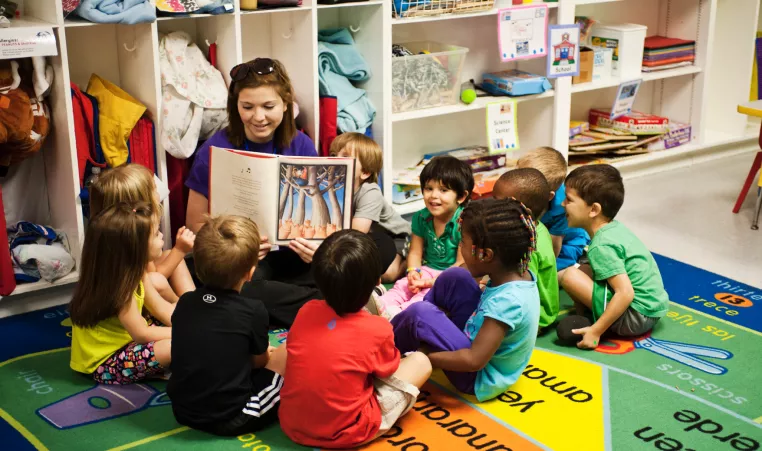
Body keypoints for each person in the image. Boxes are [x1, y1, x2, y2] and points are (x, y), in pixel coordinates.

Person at [185, 57, 320, 327]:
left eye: (268, 106)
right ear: (236, 107)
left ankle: (315, 302)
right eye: (247, 107)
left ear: (285, 104)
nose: (258, 117)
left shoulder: (302, 145)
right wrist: (236, 245)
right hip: (247, 263)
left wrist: (316, 248)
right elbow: (195, 223)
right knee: (241, 289)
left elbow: (317, 215)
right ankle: (326, 306)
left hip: (294, 255)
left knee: (349, 257)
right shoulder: (213, 151)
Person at [279, 230, 431, 448]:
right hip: (347, 432)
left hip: (292, 424)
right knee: (420, 362)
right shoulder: (377, 328)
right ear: (379, 281)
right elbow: (387, 370)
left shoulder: (306, 310)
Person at [392, 198, 540, 402]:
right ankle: (415, 331)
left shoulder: (509, 301)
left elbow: (473, 361)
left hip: (476, 377)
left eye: (462, 242)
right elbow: (464, 277)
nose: (460, 246)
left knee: (420, 315)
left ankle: (381, 349)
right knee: (454, 277)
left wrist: (424, 358)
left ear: (486, 255)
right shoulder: (512, 273)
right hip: (473, 339)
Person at [168, 215, 287, 436]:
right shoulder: (254, 309)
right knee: (287, 352)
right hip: (233, 417)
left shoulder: (185, 302)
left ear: (199, 268)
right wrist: (268, 354)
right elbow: (260, 361)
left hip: (181, 410)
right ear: (250, 273)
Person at [560, 165, 669, 349]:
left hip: (636, 316)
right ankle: (586, 316)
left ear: (593, 209)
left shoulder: (602, 246)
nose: (562, 204)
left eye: (569, 200)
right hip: (651, 309)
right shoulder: (613, 228)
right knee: (583, 270)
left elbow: (625, 293)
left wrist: (596, 331)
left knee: (568, 275)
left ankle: (594, 324)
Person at [69, 202, 172, 384]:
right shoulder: (121, 287)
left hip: (128, 341)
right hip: (105, 363)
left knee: (184, 323)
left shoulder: (136, 271)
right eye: (156, 234)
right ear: (135, 248)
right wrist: (187, 332)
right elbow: (141, 334)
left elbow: (160, 308)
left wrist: (194, 322)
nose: (162, 236)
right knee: (174, 345)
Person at [376, 156, 474, 318]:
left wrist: (430, 282)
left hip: (451, 276)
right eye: (429, 188)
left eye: (443, 190)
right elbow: (415, 252)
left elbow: (460, 264)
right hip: (427, 269)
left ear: (461, 197)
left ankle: (401, 315)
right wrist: (413, 272)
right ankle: (381, 306)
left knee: (427, 295)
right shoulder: (421, 217)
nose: (433, 195)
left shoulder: (464, 222)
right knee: (402, 285)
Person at [89, 163, 196, 303]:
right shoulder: (136, 237)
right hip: (134, 301)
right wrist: (180, 250)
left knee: (168, 255)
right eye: (154, 190)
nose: (158, 194)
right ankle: (190, 307)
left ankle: (193, 301)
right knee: (167, 265)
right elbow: (153, 280)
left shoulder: (113, 232)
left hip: (139, 287)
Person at [330, 132, 411, 283]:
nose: (335, 160)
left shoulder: (370, 191)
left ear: (365, 172)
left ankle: (410, 258)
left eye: (345, 156)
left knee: (388, 274)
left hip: (395, 236)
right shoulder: (333, 188)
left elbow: (356, 232)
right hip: (368, 238)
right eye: (333, 155)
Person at [493, 168, 559, 331]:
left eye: (498, 203)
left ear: (523, 212)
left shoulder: (526, 246)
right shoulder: (538, 227)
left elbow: (521, 289)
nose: (491, 207)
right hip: (539, 310)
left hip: (534, 317)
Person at [517, 147, 590, 277]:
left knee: (549, 270)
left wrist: (548, 267)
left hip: (568, 242)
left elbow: (554, 247)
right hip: (536, 235)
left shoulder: (561, 209)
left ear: (548, 196)